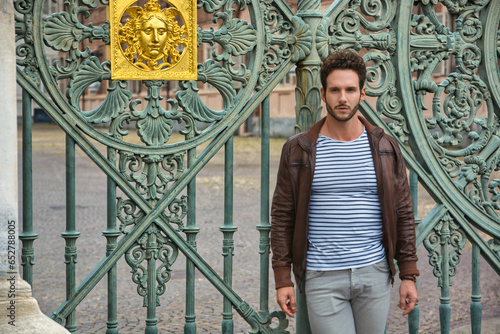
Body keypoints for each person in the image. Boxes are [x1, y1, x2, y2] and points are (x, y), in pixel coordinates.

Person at [270, 49, 419, 334]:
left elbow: (403, 211)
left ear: (362, 94)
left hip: (374, 272)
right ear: (324, 94)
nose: (342, 98)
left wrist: (408, 274)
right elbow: (282, 215)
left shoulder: (385, 146)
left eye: (350, 90)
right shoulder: (299, 148)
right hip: (322, 275)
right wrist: (282, 278)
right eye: (335, 90)